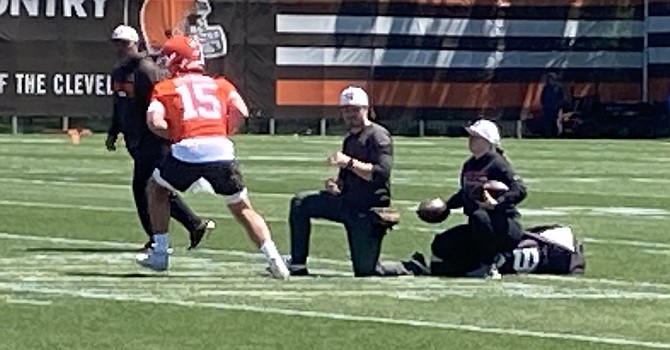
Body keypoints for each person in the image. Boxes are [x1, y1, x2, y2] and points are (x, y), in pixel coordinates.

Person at [136, 34, 290, 279]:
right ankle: (275, 259)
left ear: (176, 60)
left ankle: (161, 252)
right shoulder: (221, 84)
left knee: (156, 188)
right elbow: (241, 110)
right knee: (242, 207)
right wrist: (223, 130)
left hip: (188, 149)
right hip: (220, 147)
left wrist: (177, 132)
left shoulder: (165, 88)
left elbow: (154, 122)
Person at [106, 25, 214, 251]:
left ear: (135, 43)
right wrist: (114, 131)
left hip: (153, 139)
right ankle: (193, 225)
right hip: (135, 140)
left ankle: (157, 239)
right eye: (117, 43)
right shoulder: (118, 72)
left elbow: (165, 101)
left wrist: (168, 130)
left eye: (124, 43)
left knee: (145, 188)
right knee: (157, 187)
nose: (120, 48)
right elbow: (119, 105)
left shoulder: (147, 70)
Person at [286, 86, 405, 277]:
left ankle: (411, 266)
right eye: (346, 110)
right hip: (347, 203)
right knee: (301, 202)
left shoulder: (378, 135)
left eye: (354, 109)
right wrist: (336, 185)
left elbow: (380, 173)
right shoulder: (350, 139)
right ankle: (297, 264)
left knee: (367, 271)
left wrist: (349, 162)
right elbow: (346, 178)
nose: (350, 114)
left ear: (365, 109)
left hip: (367, 209)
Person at [425, 119, 528, 278]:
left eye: (476, 137)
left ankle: (491, 264)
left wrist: (497, 203)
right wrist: (446, 205)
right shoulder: (469, 165)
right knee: (442, 243)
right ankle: (469, 264)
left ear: (488, 141)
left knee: (479, 216)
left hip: (504, 226)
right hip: (479, 228)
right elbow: (466, 193)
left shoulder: (498, 163)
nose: (471, 140)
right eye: (470, 136)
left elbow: (520, 189)